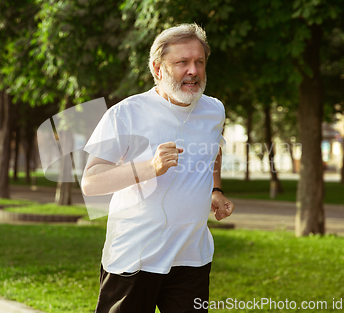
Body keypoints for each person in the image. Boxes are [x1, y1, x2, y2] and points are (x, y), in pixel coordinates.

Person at [81, 23, 234, 313]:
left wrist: (215, 189)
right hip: (134, 258)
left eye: (199, 62)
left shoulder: (214, 110)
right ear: (158, 68)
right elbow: (90, 182)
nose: (193, 71)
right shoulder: (126, 113)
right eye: (182, 63)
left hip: (191, 257)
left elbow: (214, 149)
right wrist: (150, 167)